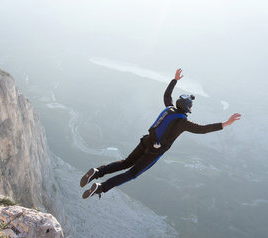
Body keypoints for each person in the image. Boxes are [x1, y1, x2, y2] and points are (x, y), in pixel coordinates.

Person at [81, 68, 241, 199]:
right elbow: (203, 129)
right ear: (188, 109)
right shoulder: (183, 122)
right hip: (154, 151)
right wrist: (225, 123)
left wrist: (175, 80)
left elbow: (167, 95)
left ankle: (97, 172)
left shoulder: (169, 108)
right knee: (131, 173)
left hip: (146, 140)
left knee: (125, 162)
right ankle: (101, 187)